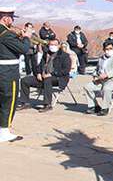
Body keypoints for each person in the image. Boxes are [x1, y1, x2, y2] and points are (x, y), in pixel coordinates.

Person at [0, 8, 30, 143]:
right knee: (9, 100)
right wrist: (26, 38)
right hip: (8, 72)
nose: (13, 21)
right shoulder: (6, 34)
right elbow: (23, 49)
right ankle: (5, 131)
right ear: (5, 18)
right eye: (11, 18)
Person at [17, 38, 71, 112]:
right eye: (51, 45)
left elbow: (66, 70)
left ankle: (47, 104)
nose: (52, 46)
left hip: (58, 78)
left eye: (55, 45)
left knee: (47, 80)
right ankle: (25, 102)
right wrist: (38, 73)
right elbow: (39, 65)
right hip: (43, 76)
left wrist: (51, 74)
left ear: (59, 46)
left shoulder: (64, 56)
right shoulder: (46, 54)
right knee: (25, 80)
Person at [83, 42, 113, 116]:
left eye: (110, 48)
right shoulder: (101, 58)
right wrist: (95, 76)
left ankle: (105, 108)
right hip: (101, 80)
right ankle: (94, 106)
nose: (108, 50)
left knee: (106, 88)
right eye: (106, 49)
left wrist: (107, 75)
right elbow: (97, 69)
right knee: (87, 87)